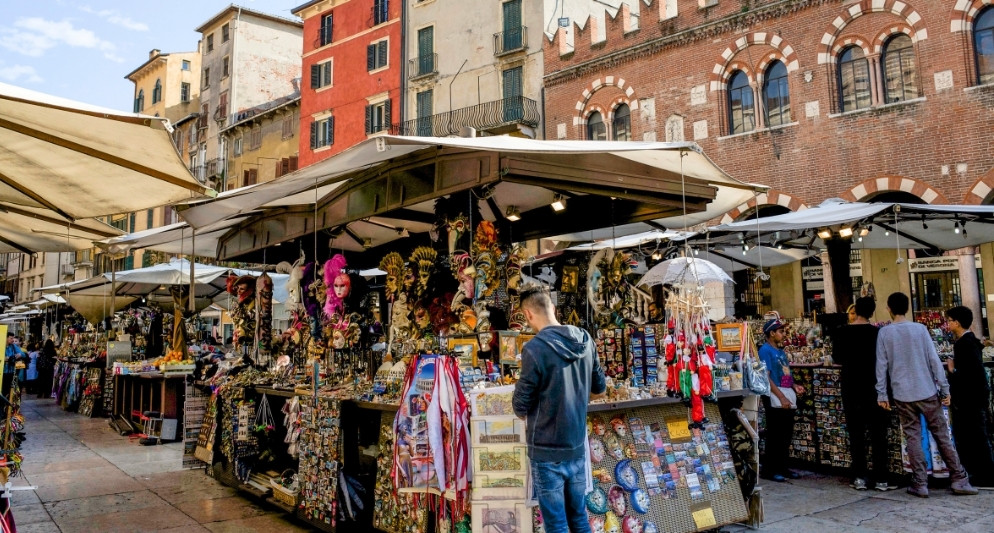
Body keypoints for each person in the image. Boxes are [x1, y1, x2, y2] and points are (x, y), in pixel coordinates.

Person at [512, 284, 606, 533]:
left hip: (546, 452)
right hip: (576, 446)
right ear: (553, 308)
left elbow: (520, 406)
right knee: (578, 517)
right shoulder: (586, 340)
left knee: (556, 525)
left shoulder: (534, 349)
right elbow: (600, 389)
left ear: (528, 315)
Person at [876, 292, 977, 497]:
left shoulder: (885, 333)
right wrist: (945, 388)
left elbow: (881, 365)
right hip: (927, 390)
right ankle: (958, 478)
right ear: (907, 307)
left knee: (913, 437)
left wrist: (882, 394)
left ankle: (920, 483)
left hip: (902, 394)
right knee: (942, 435)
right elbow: (933, 361)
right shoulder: (920, 329)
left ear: (889, 308)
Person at [833, 297, 893, 491]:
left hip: (851, 387)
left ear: (856, 311)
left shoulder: (842, 332)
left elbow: (837, 358)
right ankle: (881, 479)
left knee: (856, 433)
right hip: (875, 387)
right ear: (872, 312)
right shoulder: (879, 333)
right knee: (878, 435)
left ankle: (859, 476)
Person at [944, 305, 994, 487]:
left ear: (957, 323)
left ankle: (984, 474)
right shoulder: (969, 341)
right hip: (975, 398)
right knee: (977, 437)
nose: (948, 324)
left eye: (949, 320)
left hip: (970, 399)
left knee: (975, 437)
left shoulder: (964, 343)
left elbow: (969, 374)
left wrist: (952, 370)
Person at [758, 317, 805, 482]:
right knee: (775, 434)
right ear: (772, 333)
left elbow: (785, 374)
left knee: (786, 434)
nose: (783, 334)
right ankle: (771, 469)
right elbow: (766, 377)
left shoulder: (780, 351)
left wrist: (794, 386)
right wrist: (781, 396)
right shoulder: (765, 351)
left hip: (784, 392)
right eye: (780, 331)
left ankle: (783, 466)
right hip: (775, 396)